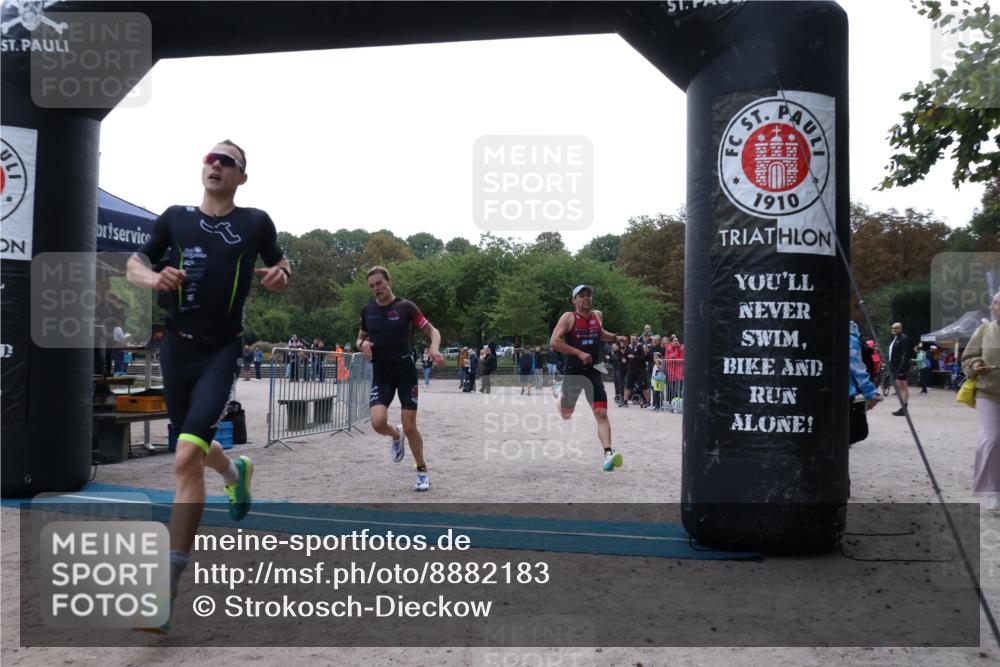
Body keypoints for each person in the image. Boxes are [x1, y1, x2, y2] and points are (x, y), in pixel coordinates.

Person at [127, 139, 289, 631]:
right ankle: (236, 476)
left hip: (222, 350)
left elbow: (282, 264)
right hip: (177, 348)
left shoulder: (255, 221)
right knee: (192, 452)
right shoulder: (174, 217)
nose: (215, 164)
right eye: (210, 158)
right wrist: (151, 278)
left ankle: (164, 593)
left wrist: (281, 273)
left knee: (182, 457)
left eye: (227, 161)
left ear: (241, 176)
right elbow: (133, 263)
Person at [357, 265, 443, 492]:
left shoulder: (405, 307)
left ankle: (422, 471)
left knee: (411, 425)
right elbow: (360, 338)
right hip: (381, 374)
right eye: (372, 286)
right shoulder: (367, 311)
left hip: (405, 373)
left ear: (389, 281)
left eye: (379, 283)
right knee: (377, 423)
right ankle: (396, 436)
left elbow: (433, 330)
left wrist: (434, 348)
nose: (376, 289)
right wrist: (362, 344)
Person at [549, 284, 622, 471]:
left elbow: (600, 334)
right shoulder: (569, 318)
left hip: (592, 372)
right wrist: (579, 353)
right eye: (581, 295)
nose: (586, 298)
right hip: (574, 371)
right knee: (566, 414)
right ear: (574, 300)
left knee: (601, 413)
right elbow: (554, 342)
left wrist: (615, 338)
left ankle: (608, 453)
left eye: (588, 295)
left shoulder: (597, 316)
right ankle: (558, 394)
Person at [962, 290, 1000, 511]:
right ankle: (992, 491)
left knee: (991, 438)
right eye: (994, 302)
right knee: (995, 438)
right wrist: (975, 365)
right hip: (988, 392)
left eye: (998, 303)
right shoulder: (984, 330)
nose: (994, 306)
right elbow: (968, 357)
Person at [849, 320, 881, 447]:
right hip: (847, 393)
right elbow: (857, 369)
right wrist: (870, 393)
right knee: (858, 431)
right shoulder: (851, 340)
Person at [887, 322, 912, 415]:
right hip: (895, 366)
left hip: (900, 367)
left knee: (902, 387)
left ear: (901, 328)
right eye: (893, 328)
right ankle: (903, 407)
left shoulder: (903, 338)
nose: (894, 329)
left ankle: (904, 408)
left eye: (896, 328)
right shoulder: (896, 339)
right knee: (900, 387)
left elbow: (905, 354)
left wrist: (901, 368)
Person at [623, 333, 650, 408]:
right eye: (632, 339)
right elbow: (625, 356)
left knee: (644, 386)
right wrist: (624, 359)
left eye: (634, 339)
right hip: (631, 370)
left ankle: (648, 401)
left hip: (640, 370)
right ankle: (625, 401)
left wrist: (634, 357)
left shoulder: (640, 347)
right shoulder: (628, 347)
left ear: (637, 339)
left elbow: (644, 357)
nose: (633, 340)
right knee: (627, 385)